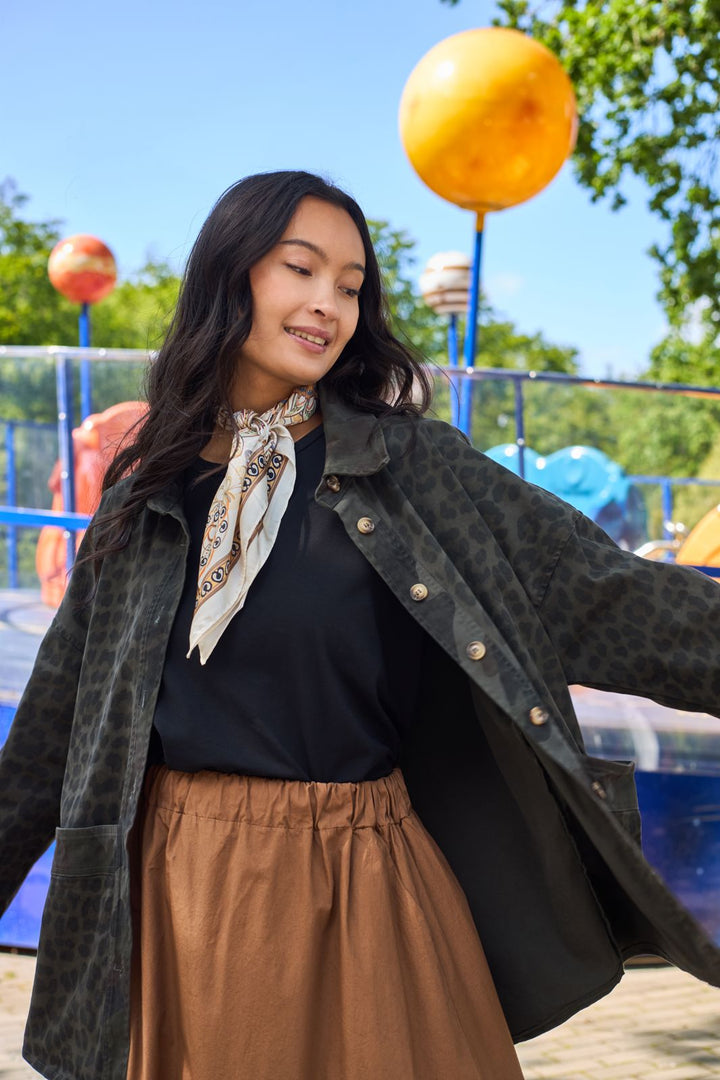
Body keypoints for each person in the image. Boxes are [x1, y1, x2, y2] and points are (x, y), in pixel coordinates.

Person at [1, 170, 719, 1080]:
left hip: (365, 884)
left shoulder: (411, 468)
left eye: (350, 286)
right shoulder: (147, 488)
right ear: (229, 274)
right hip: (180, 895)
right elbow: (56, 723)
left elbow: (608, 593)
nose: (327, 304)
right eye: (301, 269)